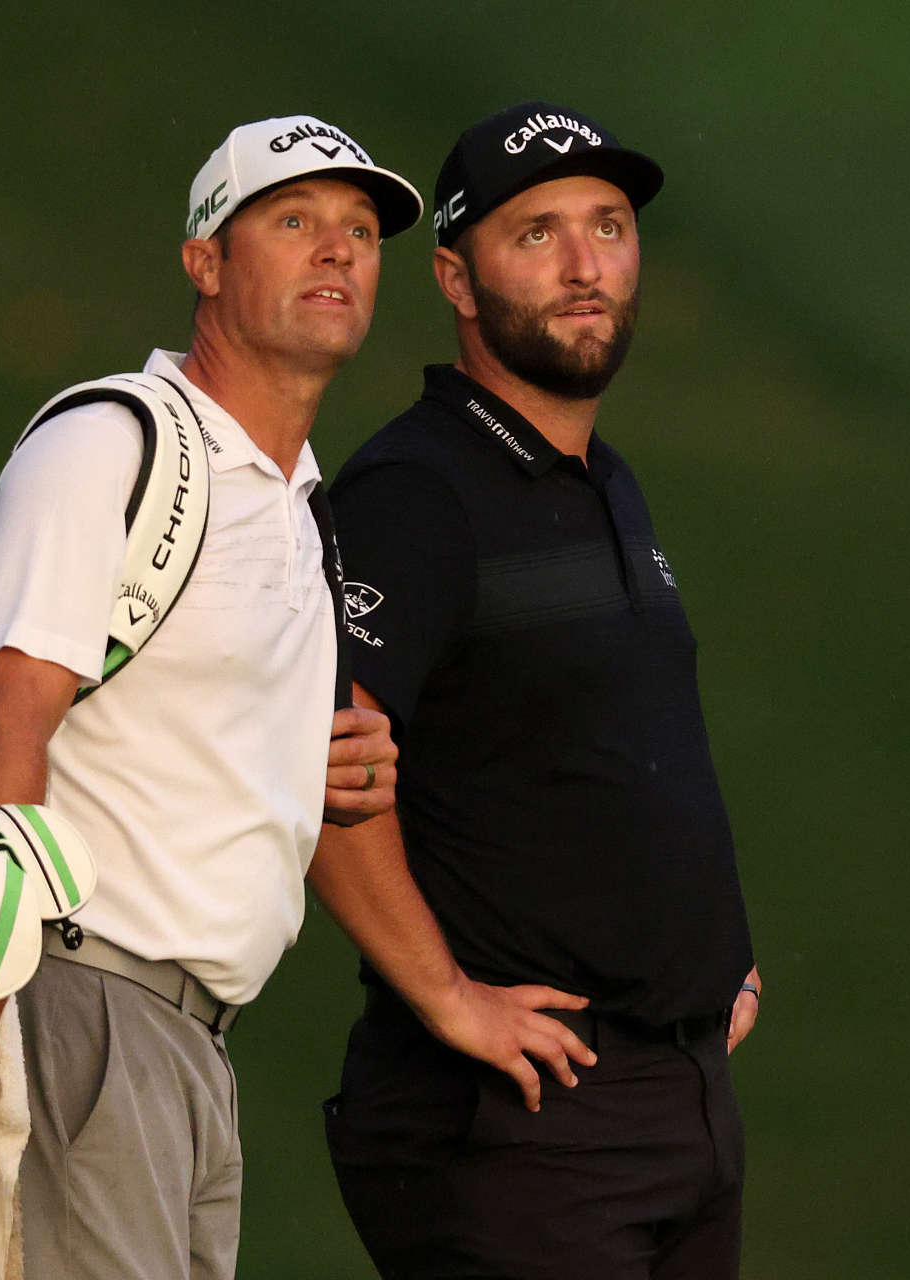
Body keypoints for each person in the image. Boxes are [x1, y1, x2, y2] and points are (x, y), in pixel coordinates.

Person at [0, 113, 421, 1280]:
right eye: (293, 221)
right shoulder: (113, 441)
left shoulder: (299, 509)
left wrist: (310, 764)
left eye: (359, 231)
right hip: (76, 1000)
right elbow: (4, 715)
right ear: (205, 261)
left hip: (189, 1047)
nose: (338, 251)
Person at [307, 100, 762, 1280]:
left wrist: (717, 958)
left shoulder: (604, 480)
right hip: (520, 1124)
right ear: (456, 278)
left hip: (674, 1104)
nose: (584, 265)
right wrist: (447, 996)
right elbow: (316, 763)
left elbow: (620, 751)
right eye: (537, 233)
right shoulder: (416, 491)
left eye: (608, 227)